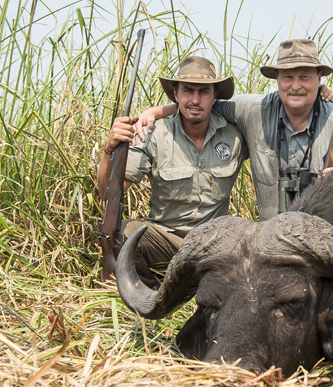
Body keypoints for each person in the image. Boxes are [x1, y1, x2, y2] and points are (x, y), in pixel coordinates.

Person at [137, 39, 333, 219]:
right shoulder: (253, 110)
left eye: (305, 77)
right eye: (288, 77)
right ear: (276, 79)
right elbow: (201, 104)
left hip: (326, 241)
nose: (295, 86)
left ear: (319, 79)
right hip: (271, 244)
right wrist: (155, 112)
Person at [98, 56, 248, 286]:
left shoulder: (235, 135)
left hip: (216, 245)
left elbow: (275, 113)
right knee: (123, 233)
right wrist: (109, 150)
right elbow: (108, 193)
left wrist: (321, 92)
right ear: (175, 95)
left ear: (215, 96)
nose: (195, 100)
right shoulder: (152, 133)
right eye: (187, 91)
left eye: (204, 92)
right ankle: (151, 293)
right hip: (166, 242)